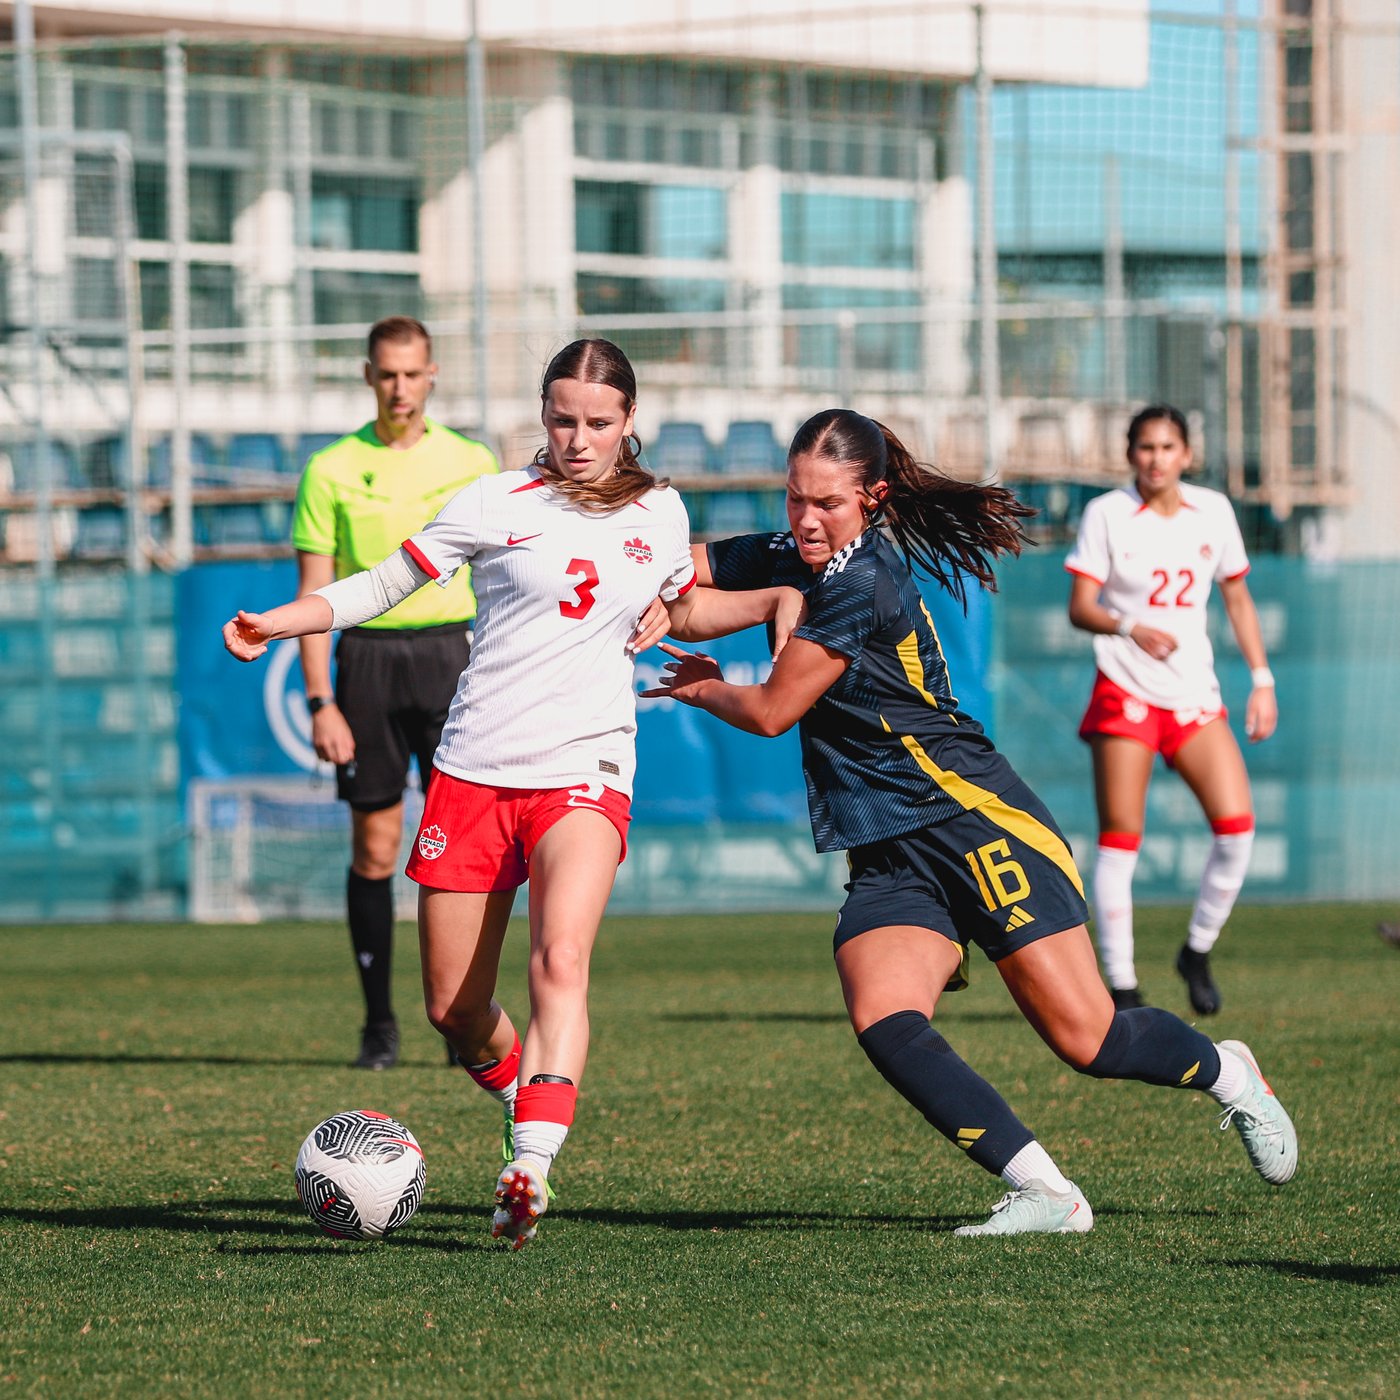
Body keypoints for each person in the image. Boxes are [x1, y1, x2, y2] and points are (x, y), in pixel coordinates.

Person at [645, 408, 1297, 1237]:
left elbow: (774, 709)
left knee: (1090, 1040)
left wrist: (700, 684)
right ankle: (1045, 1191)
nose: (806, 518)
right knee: (884, 1020)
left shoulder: (860, 584)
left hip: (974, 823)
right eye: (794, 497)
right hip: (890, 846)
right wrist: (620, 547)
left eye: (828, 504)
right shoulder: (796, 551)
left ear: (872, 498)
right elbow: (685, 576)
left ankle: (1229, 1074)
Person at [226, 339, 797, 1249]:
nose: (578, 439)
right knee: (454, 1012)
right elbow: (383, 584)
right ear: (543, 415)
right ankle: (530, 1087)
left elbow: (681, 603)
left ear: (630, 425)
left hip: (586, 769)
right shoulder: (497, 500)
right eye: (563, 420)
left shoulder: (660, 508)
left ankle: (529, 1166)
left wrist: (762, 600)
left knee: (561, 959)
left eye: (599, 424)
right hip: (475, 772)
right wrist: (278, 621)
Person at [292, 315, 498, 1070]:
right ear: (368, 375)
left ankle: (465, 1016)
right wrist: (322, 701)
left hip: (452, 657)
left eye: (413, 374)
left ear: (433, 374)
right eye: (388, 374)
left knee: (464, 851)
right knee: (376, 848)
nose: (401, 388)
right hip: (368, 666)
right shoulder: (331, 469)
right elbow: (315, 591)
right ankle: (379, 1024)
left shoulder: (472, 461)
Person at [1065, 405, 1278, 1016]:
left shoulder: (1214, 511)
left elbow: (1237, 597)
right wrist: (1128, 625)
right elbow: (1081, 606)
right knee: (1121, 842)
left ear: (1187, 454)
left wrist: (1262, 681)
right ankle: (1124, 987)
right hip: (1125, 691)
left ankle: (1196, 949)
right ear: (1130, 454)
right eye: (1145, 447)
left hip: (1193, 695)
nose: (1156, 458)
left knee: (1237, 831)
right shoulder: (1106, 513)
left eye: (1167, 447)